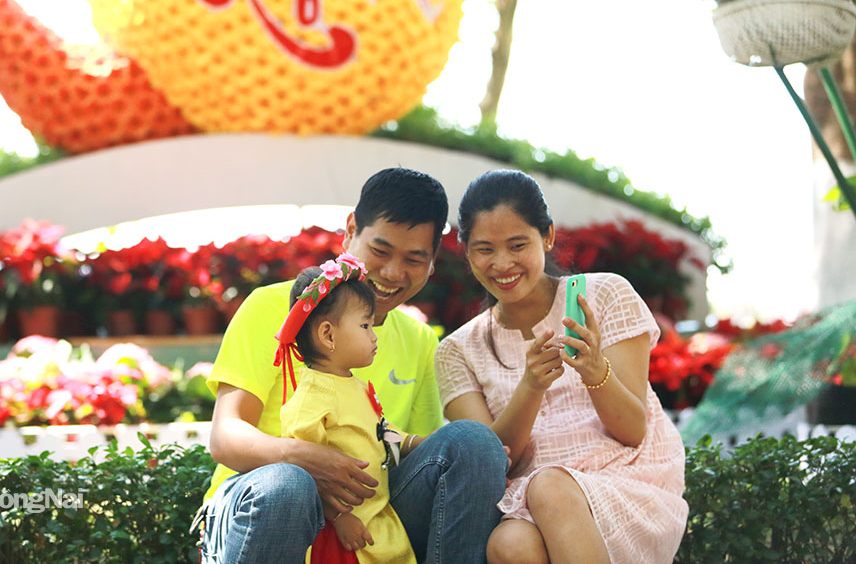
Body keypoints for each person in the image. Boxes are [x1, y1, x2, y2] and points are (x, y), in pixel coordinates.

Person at [199, 167, 508, 564]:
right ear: (350, 231)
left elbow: (408, 453)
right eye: (380, 251)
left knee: (473, 441)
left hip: (366, 517)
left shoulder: (419, 340)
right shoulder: (274, 307)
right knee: (289, 485)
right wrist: (304, 459)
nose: (393, 272)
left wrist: (484, 455)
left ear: (432, 263)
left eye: (414, 258)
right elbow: (225, 438)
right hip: (258, 505)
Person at [435, 169, 688, 564]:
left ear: (548, 236)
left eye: (517, 245)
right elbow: (490, 461)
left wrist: (595, 371)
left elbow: (633, 430)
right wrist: (531, 387)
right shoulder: (457, 350)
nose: (502, 263)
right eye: (484, 249)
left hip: (625, 475)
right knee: (509, 545)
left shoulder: (605, 295)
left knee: (550, 486)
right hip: (528, 499)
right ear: (466, 252)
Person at [278, 256, 424, 561]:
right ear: (328, 335)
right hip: (343, 535)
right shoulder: (310, 401)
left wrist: (416, 443)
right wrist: (339, 517)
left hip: (380, 520)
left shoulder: (355, 385)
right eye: (365, 325)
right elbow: (303, 475)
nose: (374, 336)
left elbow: (380, 433)